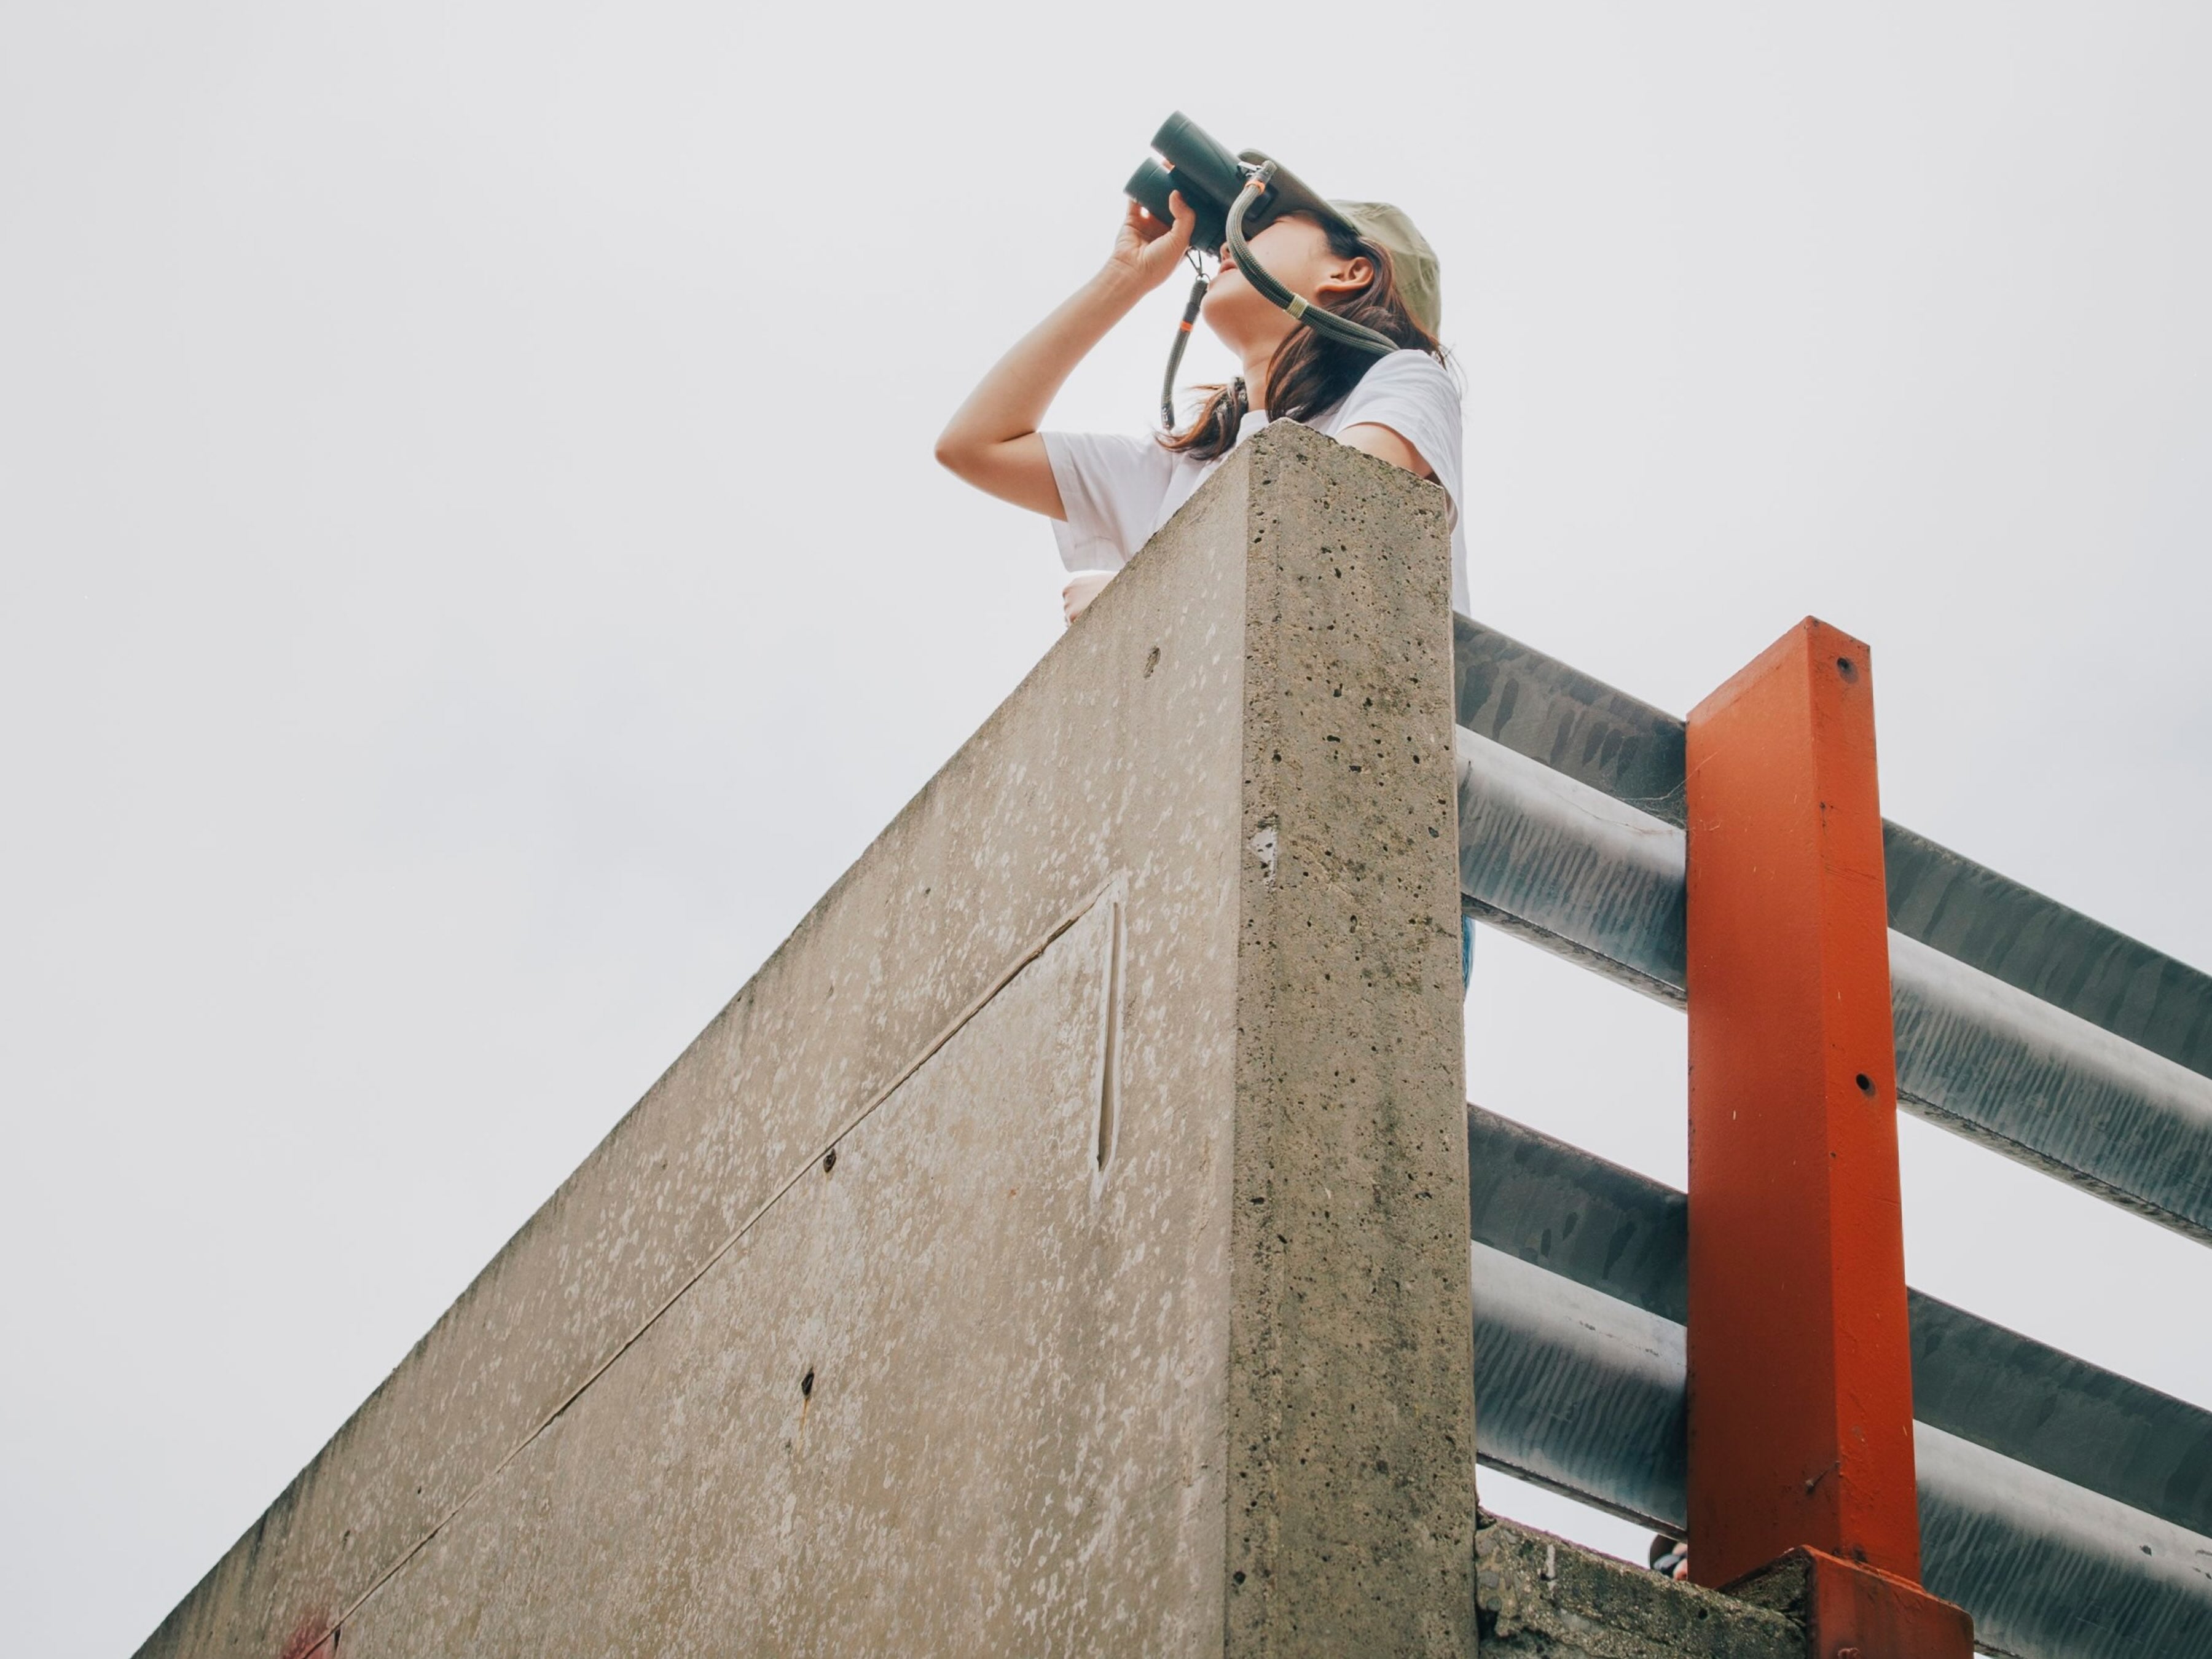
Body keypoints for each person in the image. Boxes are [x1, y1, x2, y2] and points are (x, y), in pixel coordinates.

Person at [936, 164, 1470, 980]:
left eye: (1264, 224)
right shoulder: (1187, 470)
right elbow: (975, 444)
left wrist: (1142, 603)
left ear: (1351, 270)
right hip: (1219, 847)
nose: (1233, 241)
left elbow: (1315, 535)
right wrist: (1125, 278)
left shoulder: (1402, 384)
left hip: (1365, 838)